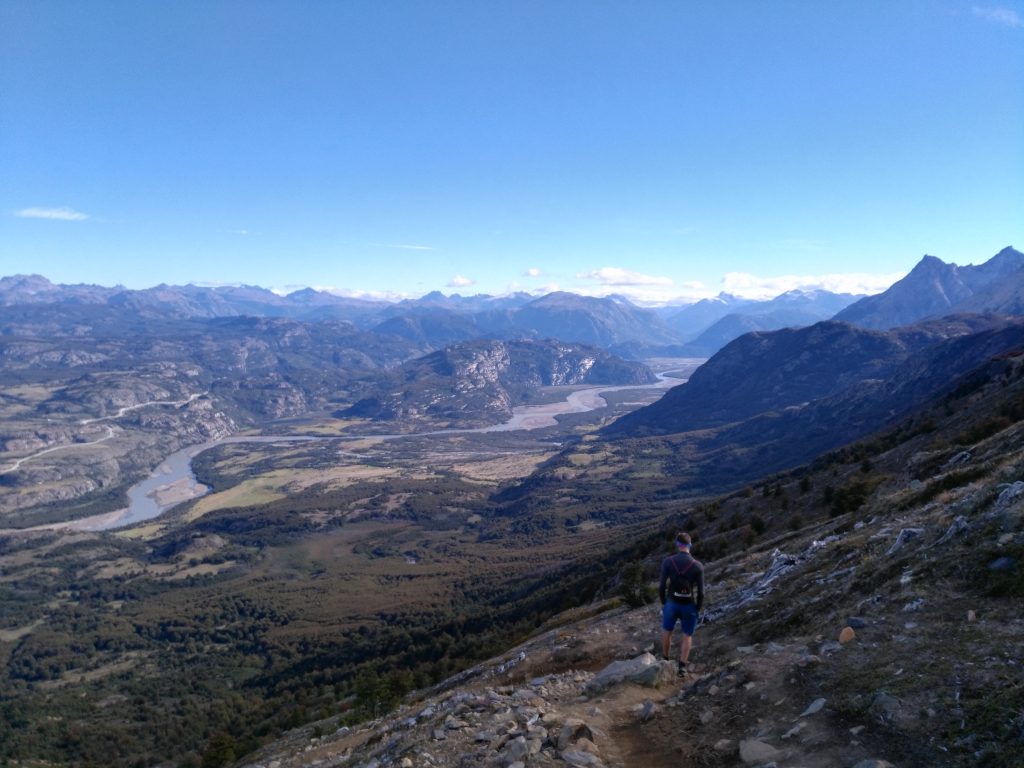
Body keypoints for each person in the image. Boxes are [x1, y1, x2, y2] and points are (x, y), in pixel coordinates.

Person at [659, 531, 705, 676]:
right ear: (690, 545)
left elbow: (661, 586)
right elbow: (701, 593)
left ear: (677, 545)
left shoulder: (668, 561)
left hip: (671, 603)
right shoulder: (698, 566)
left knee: (667, 630)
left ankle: (665, 659)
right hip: (688, 605)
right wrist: (697, 608)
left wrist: (664, 603)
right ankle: (682, 667)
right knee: (687, 635)